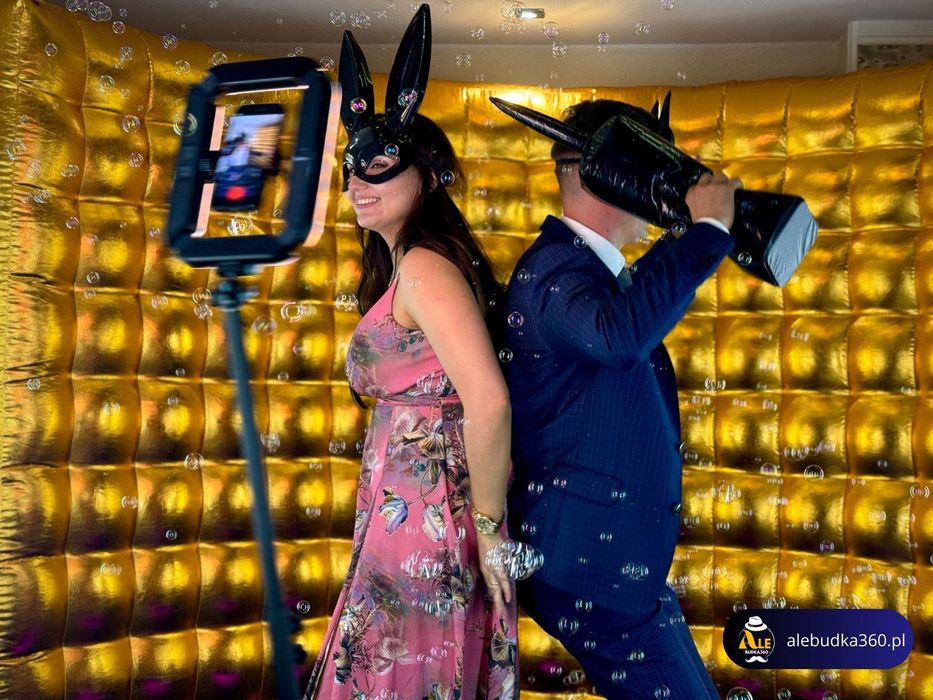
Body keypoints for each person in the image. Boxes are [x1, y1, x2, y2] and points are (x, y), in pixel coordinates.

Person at [305, 7, 518, 699]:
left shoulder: (425, 268)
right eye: (350, 168)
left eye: (377, 166)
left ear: (425, 178)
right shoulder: (408, 268)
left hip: (430, 520)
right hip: (411, 512)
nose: (356, 182)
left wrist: (489, 531)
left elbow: (488, 400)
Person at [500, 98, 741, 699]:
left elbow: (626, 322)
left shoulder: (585, 269)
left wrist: (695, 233)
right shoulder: (554, 270)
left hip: (612, 566)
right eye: (650, 175)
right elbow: (619, 335)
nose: (662, 195)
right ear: (605, 177)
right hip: (588, 567)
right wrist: (706, 231)